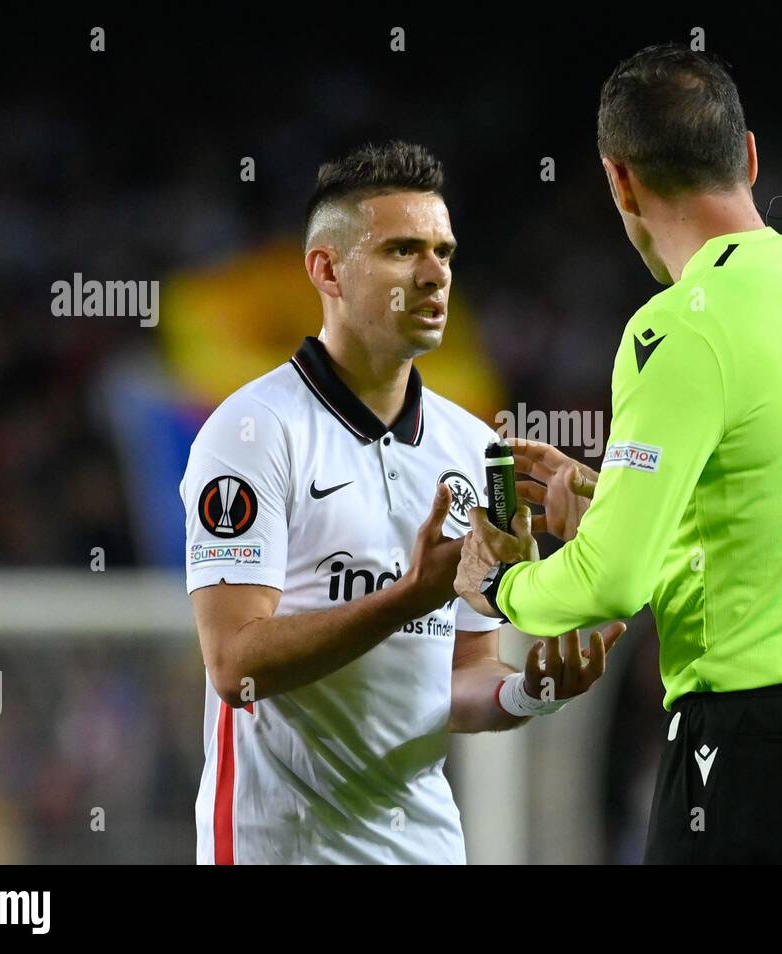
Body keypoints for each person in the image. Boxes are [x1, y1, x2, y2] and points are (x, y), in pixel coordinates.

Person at [456, 45, 782, 864]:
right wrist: (621, 496)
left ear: (620, 181)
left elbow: (611, 581)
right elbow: (773, 516)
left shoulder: (676, 327)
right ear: (747, 156)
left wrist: (503, 587)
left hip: (765, 747)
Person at [180, 141, 624, 864]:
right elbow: (234, 665)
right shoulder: (250, 433)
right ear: (327, 270)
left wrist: (526, 691)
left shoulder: (473, 447)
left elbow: (462, 673)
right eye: (402, 251)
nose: (433, 275)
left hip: (425, 847)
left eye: (444, 253)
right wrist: (406, 597)